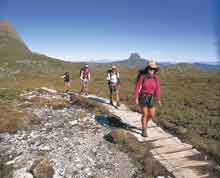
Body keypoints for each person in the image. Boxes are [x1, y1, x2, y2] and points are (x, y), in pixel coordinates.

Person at [134, 59, 161, 137]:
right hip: (143, 96)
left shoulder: (156, 78)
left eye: (153, 69)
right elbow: (138, 87)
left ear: (155, 70)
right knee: (145, 114)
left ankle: (145, 123)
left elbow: (157, 89)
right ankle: (144, 129)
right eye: (150, 68)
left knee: (152, 115)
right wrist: (136, 98)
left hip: (151, 97)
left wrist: (158, 98)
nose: (152, 70)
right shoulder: (143, 77)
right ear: (147, 68)